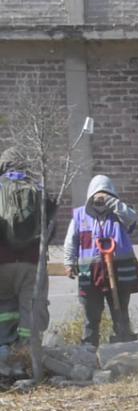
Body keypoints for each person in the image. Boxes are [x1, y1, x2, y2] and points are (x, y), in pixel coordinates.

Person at [63, 175, 138, 347]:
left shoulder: (121, 212)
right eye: (97, 196)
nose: (101, 201)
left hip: (119, 273)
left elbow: (132, 219)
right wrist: (69, 262)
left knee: (120, 313)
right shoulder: (80, 215)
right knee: (91, 315)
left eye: (105, 195)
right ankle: (89, 348)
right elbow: (71, 240)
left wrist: (112, 202)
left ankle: (124, 345)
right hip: (90, 275)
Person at [0, 148, 56, 367]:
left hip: (1, 261)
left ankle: (4, 348)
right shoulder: (37, 189)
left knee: (3, 307)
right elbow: (51, 229)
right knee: (30, 308)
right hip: (32, 262)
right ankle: (27, 353)